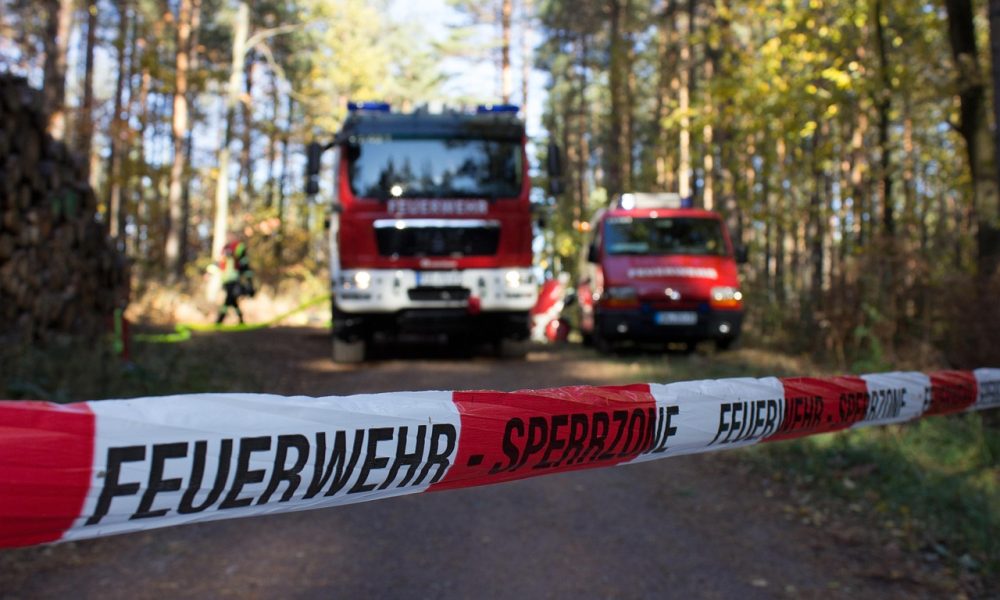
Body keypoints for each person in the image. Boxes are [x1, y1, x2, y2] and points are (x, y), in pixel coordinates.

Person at [216, 233, 255, 324]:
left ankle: (220, 320)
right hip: (226, 280)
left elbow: (244, 264)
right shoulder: (225, 250)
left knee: (229, 299)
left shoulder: (238, 248)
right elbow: (219, 264)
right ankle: (240, 319)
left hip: (233, 279)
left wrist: (249, 281)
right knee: (232, 300)